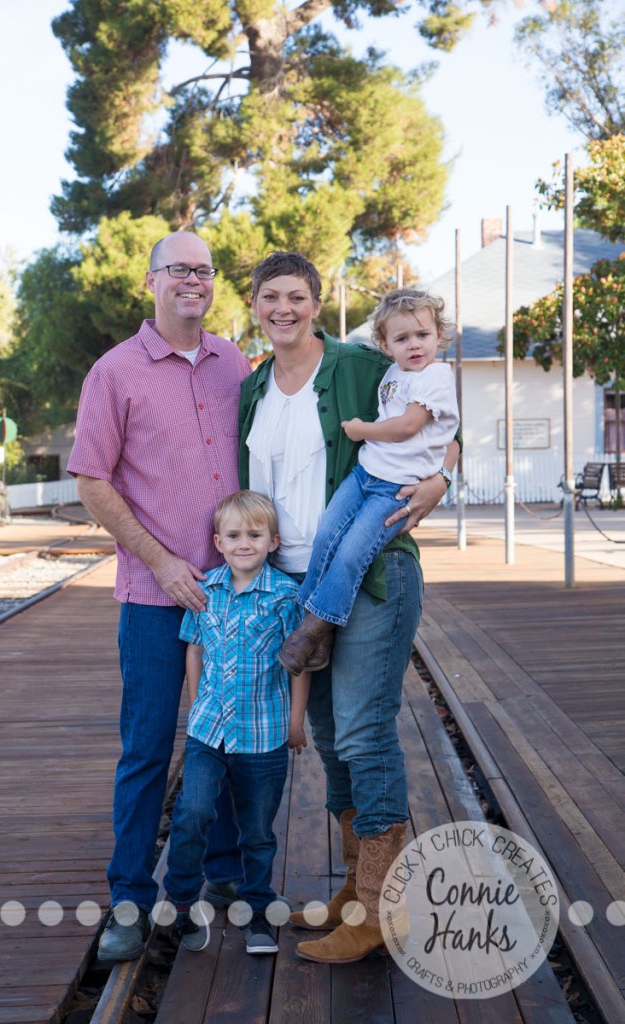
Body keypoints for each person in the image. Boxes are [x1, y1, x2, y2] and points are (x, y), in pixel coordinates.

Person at [239, 251, 461, 964]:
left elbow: (438, 422)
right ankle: (353, 893)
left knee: (364, 734)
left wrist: (442, 480)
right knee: (332, 739)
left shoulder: (362, 363)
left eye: (297, 296)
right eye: (270, 297)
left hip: (372, 577)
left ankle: (379, 909)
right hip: (297, 582)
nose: (284, 308)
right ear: (253, 304)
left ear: (316, 301)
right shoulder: (252, 388)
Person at [67, 231, 252, 962]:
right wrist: (163, 560)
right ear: (150, 281)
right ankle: (128, 900)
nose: (192, 280)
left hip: (233, 594)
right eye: (178, 268)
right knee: (146, 747)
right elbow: (90, 480)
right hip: (153, 592)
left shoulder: (233, 362)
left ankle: (230, 879)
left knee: (232, 737)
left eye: (204, 270)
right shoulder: (113, 372)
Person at [278, 288, 459, 676]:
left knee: (352, 552)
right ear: (385, 345)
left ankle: (311, 629)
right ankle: (313, 623)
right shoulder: (392, 371)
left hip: (395, 488)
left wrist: (362, 430)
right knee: (326, 535)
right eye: (402, 338)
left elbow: (409, 425)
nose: (414, 345)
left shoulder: (436, 377)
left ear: (438, 334)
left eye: (423, 335)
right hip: (365, 474)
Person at [163, 490, 310, 955]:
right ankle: (181, 905)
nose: (244, 542)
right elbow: (195, 648)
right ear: (218, 542)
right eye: (233, 535)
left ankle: (259, 912)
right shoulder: (205, 590)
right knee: (193, 812)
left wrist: (295, 721)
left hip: (264, 733)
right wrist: (194, 705)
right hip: (209, 729)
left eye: (254, 534)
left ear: (273, 541)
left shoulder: (286, 596)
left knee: (258, 831)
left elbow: (298, 663)